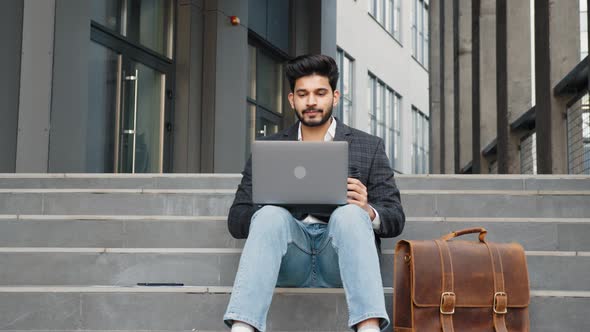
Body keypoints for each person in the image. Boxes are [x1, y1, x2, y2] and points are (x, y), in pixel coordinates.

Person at [223, 54, 405, 332]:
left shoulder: (369, 147)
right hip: (288, 258)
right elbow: (236, 220)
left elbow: (395, 217)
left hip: (339, 259)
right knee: (270, 215)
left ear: (335, 96)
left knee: (350, 215)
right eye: (303, 94)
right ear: (291, 99)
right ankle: (242, 328)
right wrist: (270, 205)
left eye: (320, 93)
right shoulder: (269, 148)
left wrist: (368, 210)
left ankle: (368, 328)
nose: (311, 102)